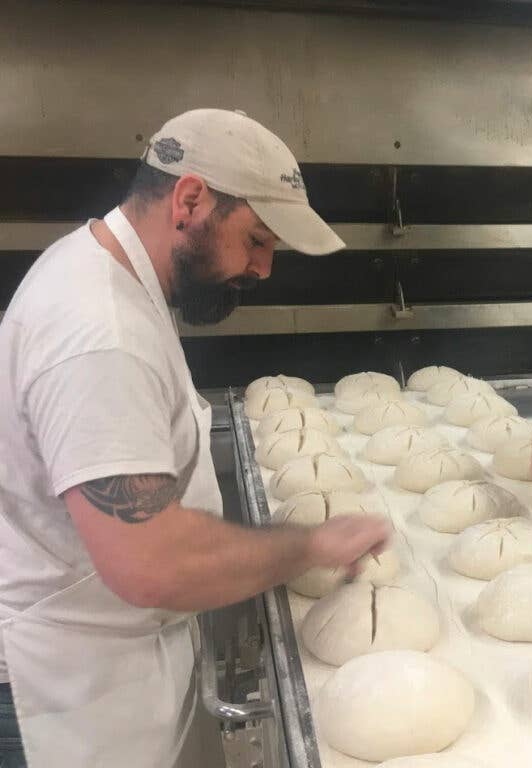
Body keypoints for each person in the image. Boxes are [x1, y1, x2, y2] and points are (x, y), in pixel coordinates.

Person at [0, 109, 390, 768]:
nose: (264, 270)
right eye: (258, 240)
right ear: (190, 200)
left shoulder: (109, 280)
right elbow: (152, 562)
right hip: (63, 696)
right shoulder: (98, 332)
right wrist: (311, 544)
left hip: (105, 664)